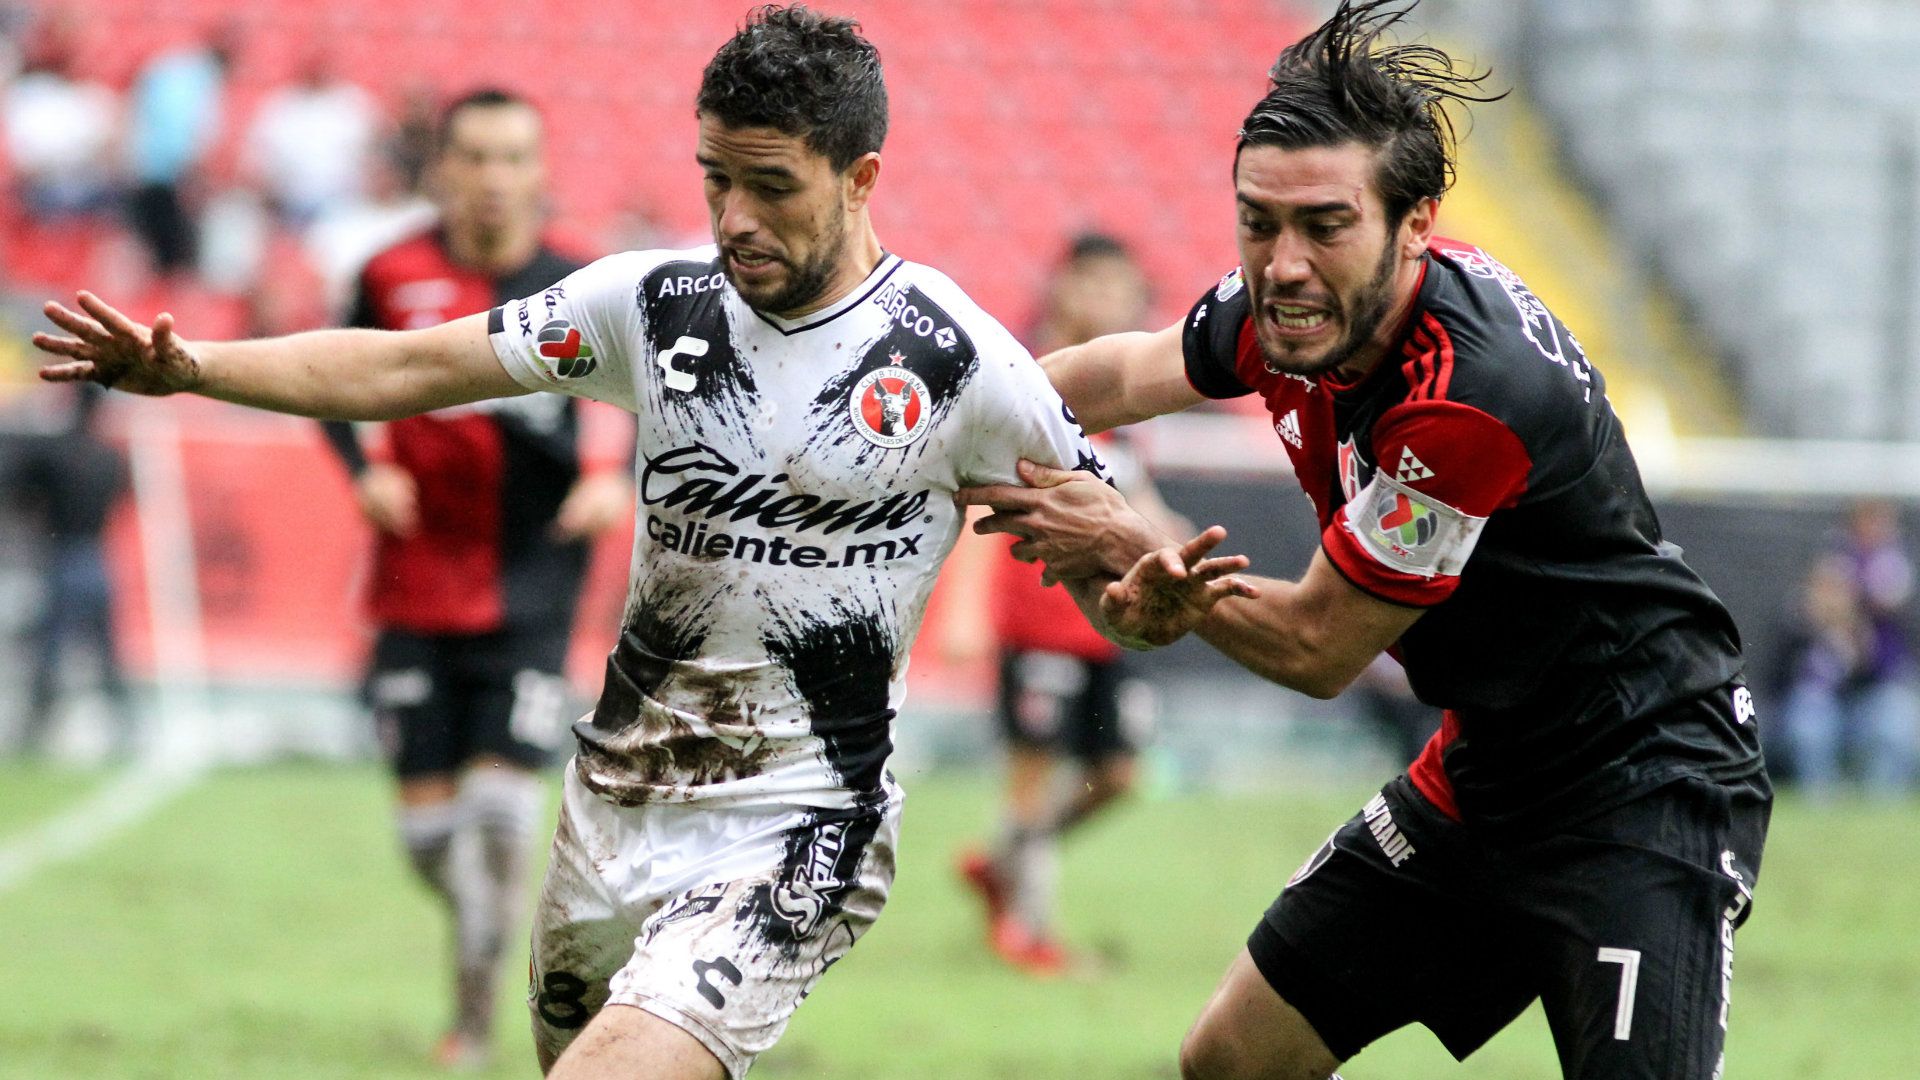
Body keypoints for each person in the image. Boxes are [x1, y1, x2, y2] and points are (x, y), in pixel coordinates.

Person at [30, 8, 1243, 1078]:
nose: (733, 216)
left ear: (861, 174)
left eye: (771, 184)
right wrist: (193, 367)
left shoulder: (959, 362)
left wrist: (1148, 604)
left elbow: (1112, 588)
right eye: (715, 177)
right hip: (615, 801)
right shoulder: (651, 305)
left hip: (801, 821)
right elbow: (411, 362)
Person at [959, 3, 1770, 1078]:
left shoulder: (1468, 397)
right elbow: (1111, 377)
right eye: (1258, 222)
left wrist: (1125, 533)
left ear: (1416, 223)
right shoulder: (1295, 308)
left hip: (1645, 779)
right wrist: (930, 426)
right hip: (1490, 768)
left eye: (1324, 225)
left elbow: (1317, 648)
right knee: (1234, 1060)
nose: (1283, 262)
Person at [315, 87, 632, 1069]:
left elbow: (655, 398)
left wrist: (611, 478)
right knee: (429, 844)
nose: (494, 179)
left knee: (500, 822)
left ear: (540, 169)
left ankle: (478, 1017)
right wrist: (365, 472)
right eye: (476, 158)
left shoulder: (586, 279)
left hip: (534, 586)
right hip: (414, 590)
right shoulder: (388, 271)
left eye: (513, 158)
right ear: (442, 169)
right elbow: (330, 379)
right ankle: (491, 939)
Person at [950, 233, 1167, 975]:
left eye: (1122, 287)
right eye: (1094, 284)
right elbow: (985, 493)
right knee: (1033, 775)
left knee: (1117, 777)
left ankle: (1000, 862)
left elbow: (1136, 498)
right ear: (1062, 289)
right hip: (1040, 616)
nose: (1109, 301)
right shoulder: (1026, 382)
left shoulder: (1126, 391)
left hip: (1107, 621)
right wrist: (966, 608)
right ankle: (1029, 932)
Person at [1775, 501, 1920, 795]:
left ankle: (1881, 802)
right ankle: (1819, 797)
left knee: (1897, 722)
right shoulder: (1813, 598)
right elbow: (1783, 669)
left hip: (1870, 697)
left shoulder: (1890, 584)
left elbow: (1890, 663)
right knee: (1808, 722)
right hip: (1824, 699)